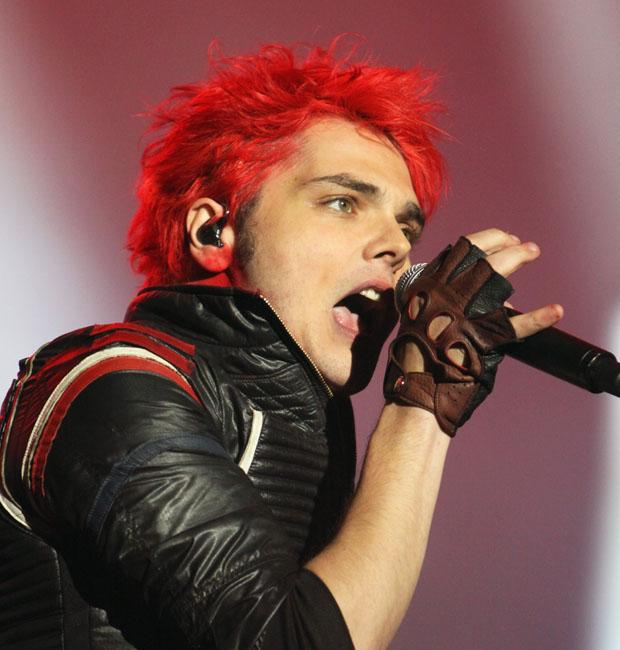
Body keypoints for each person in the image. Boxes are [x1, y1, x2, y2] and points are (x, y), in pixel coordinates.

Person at [0, 41, 562, 649]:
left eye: (407, 226)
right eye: (342, 203)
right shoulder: (112, 385)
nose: (397, 247)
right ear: (214, 230)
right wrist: (424, 400)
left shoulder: (314, 429)